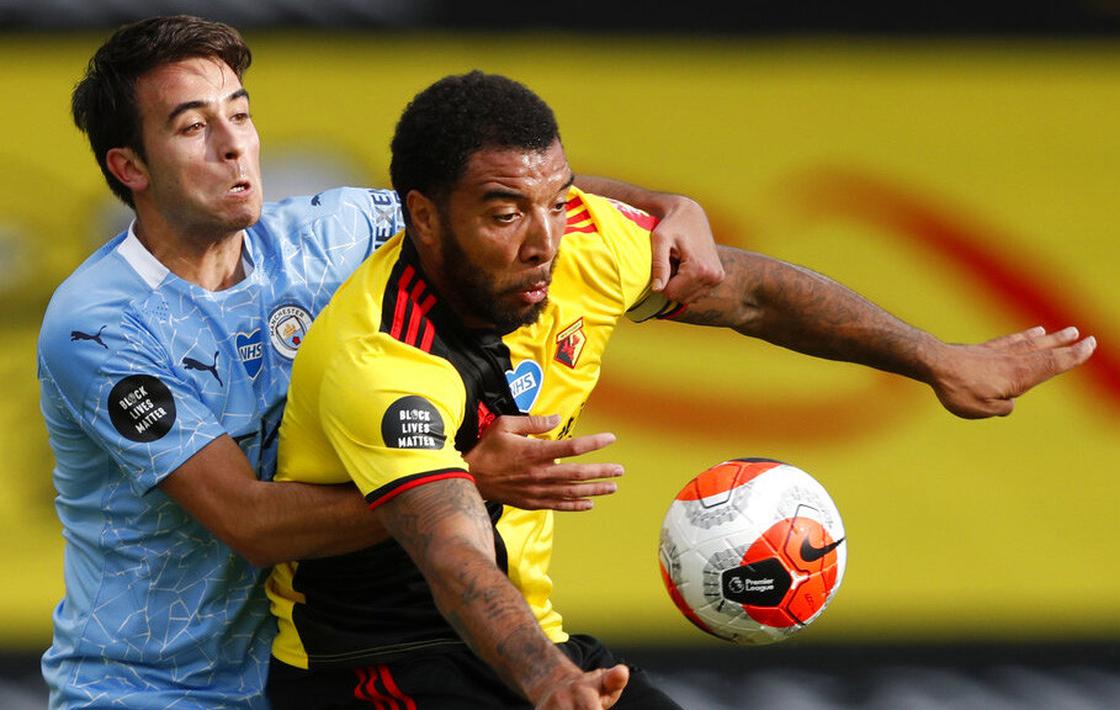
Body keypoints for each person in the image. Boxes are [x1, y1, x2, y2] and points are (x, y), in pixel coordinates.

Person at [266, 71, 1097, 708]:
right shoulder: (381, 360)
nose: (544, 241)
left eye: (555, 203)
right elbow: (451, 560)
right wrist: (548, 683)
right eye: (503, 212)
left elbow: (751, 294)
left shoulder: (579, 250)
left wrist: (937, 359)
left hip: (521, 641)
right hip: (377, 667)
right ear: (421, 216)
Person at [37, 16, 723, 709]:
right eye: (192, 128)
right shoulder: (100, 324)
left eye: (239, 114)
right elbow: (249, 522)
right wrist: (463, 476)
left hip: (298, 670)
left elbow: (484, 190)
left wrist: (664, 206)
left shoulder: (328, 235)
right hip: (148, 689)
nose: (233, 145)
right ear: (129, 167)